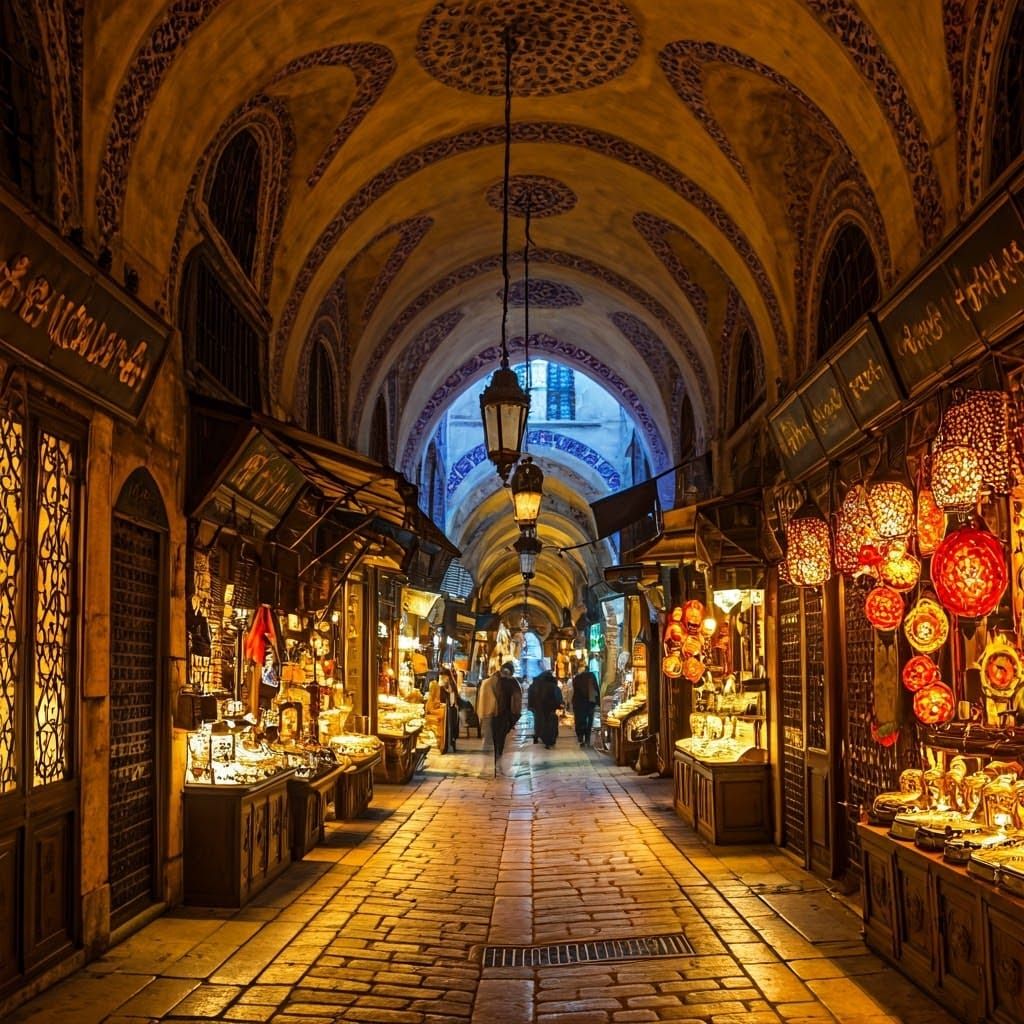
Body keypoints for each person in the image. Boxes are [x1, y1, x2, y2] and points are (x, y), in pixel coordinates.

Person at [492, 660, 522, 774]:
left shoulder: (495, 681)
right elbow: (517, 701)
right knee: (500, 738)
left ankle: (495, 760)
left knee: (496, 738)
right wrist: (515, 717)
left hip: (496, 713)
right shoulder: (513, 683)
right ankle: (497, 760)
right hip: (505, 715)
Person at [531, 670, 564, 749]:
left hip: (540, 707)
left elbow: (533, 696)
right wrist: (560, 704)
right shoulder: (554, 686)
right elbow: (558, 697)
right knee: (551, 723)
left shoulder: (538, 685)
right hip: (551, 708)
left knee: (542, 722)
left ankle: (543, 738)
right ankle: (550, 739)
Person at [571, 666, 599, 747]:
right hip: (590, 702)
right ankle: (587, 739)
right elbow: (596, 689)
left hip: (578, 703)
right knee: (589, 721)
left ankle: (580, 738)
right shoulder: (591, 677)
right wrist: (598, 702)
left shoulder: (577, 678)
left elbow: (575, 690)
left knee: (579, 720)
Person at [438, 667, 460, 753]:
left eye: (442, 676)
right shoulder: (448, 685)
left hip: (450, 709)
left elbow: (451, 699)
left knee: (450, 729)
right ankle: (450, 744)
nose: (441, 678)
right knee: (450, 729)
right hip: (450, 709)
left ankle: (449, 744)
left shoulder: (449, 685)